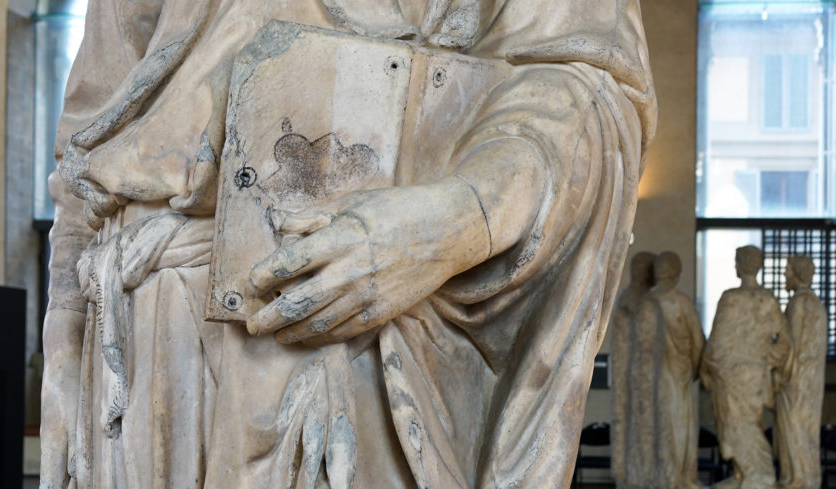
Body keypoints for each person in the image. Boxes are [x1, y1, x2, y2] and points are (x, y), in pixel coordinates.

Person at [40, 1, 657, 488]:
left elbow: (587, 89)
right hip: (148, 335)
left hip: (367, 324)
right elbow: (91, 132)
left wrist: (457, 218)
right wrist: (64, 334)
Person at [700, 245, 791, 489]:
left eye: (736, 261)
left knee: (736, 424)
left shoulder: (730, 298)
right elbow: (784, 340)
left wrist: (706, 366)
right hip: (755, 374)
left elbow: (716, 342)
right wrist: (766, 359)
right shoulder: (768, 298)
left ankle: (759, 475)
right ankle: (743, 474)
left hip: (731, 373)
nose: (734, 265)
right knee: (749, 423)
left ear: (741, 265)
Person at [627, 252, 704, 489]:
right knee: (678, 425)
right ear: (677, 273)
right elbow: (698, 343)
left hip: (651, 379)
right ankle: (678, 477)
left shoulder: (643, 304)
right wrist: (694, 371)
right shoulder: (682, 303)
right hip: (677, 377)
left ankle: (661, 476)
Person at [774, 256, 826, 489]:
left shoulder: (799, 302)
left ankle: (796, 478)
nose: (785, 275)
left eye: (787, 270)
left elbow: (790, 345)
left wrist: (778, 374)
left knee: (793, 427)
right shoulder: (817, 303)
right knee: (807, 428)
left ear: (797, 273)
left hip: (796, 378)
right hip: (812, 379)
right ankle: (808, 477)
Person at [611, 250, 656, 489]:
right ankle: (631, 473)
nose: (639, 273)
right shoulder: (628, 298)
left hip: (649, 375)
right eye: (636, 268)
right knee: (631, 423)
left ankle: (645, 473)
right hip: (631, 371)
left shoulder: (654, 299)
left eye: (643, 269)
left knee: (648, 425)